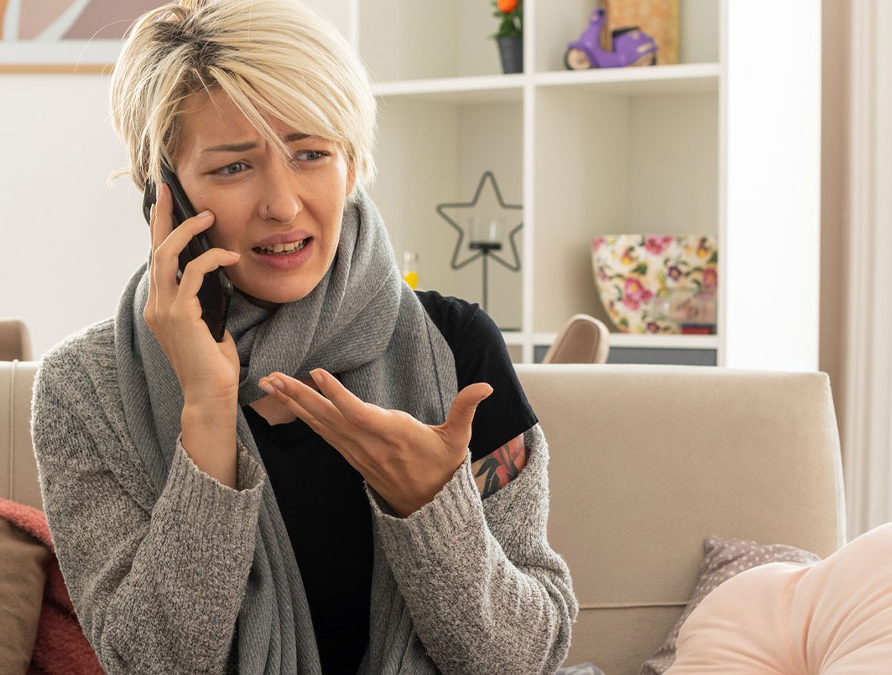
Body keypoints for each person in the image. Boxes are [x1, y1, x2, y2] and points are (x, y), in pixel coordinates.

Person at [29, 0, 577, 673]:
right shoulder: (85, 391)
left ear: (351, 163)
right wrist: (204, 409)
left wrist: (434, 509)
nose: (283, 204)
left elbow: (529, 658)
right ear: (165, 194)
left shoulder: (458, 347)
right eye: (233, 167)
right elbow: (155, 663)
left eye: (311, 153)